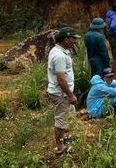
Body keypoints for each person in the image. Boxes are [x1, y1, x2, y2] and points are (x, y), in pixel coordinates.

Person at [47, 27, 80, 155]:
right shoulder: (59, 56)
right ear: (66, 39)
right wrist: (70, 95)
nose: (74, 42)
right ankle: (60, 148)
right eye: (73, 39)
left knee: (66, 116)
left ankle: (63, 137)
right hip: (61, 94)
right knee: (61, 120)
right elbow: (61, 79)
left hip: (63, 92)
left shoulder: (59, 51)